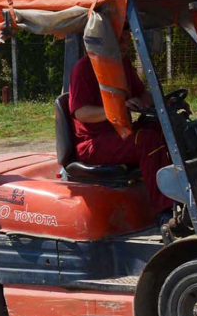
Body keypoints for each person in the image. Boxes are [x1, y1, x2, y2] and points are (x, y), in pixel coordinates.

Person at [68, 25, 174, 218]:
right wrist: (115, 110)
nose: (126, 46)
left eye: (127, 40)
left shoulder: (121, 64)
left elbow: (142, 95)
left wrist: (165, 101)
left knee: (165, 129)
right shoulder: (83, 69)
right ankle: (164, 212)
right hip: (93, 143)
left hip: (119, 133)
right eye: (121, 41)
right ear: (106, 42)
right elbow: (81, 113)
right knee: (146, 141)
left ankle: (182, 195)